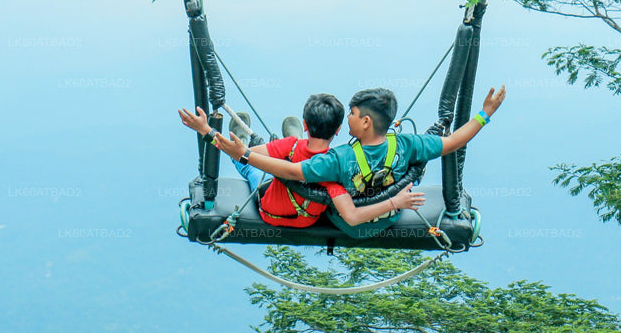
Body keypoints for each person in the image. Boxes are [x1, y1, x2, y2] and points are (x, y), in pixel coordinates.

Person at [215, 85, 506, 238]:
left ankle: (293, 144)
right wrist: (485, 114)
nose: (349, 118)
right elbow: (454, 141)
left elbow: (291, 172)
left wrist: (245, 154)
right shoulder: (407, 144)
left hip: (351, 223)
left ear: (365, 122)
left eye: (352, 113)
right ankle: (292, 143)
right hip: (387, 219)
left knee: (302, 171)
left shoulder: (340, 158)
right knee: (408, 171)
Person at [178, 94, 423, 228]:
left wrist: (206, 130)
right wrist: (395, 201)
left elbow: (242, 153)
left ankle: (244, 138)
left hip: (269, 213)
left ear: (306, 124)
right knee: (273, 157)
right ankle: (276, 145)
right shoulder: (334, 166)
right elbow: (352, 215)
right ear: (338, 130)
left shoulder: (291, 146)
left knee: (251, 166)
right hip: (306, 219)